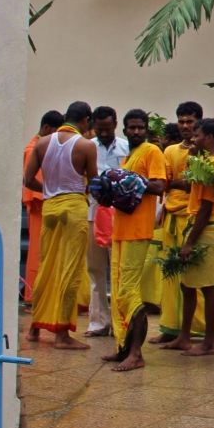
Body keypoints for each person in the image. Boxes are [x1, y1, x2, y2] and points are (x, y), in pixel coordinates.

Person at [24, 102, 97, 349]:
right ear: (86, 120)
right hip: (74, 206)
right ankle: (62, 335)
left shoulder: (43, 143)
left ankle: (35, 327)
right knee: (70, 269)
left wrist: (47, 191)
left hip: (50, 207)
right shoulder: (87, 146)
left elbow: (27, 179)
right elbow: (94, 183)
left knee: (47, 266)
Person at [101, 109, 166, 372]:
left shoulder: (152, 152)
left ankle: (136, 354)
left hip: (139, 232)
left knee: (130, 291)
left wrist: (131, 181)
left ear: (146, 129)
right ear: (124, 130)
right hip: (121, 231)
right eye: (132, 128)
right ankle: (123, 347)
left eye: (140, 127)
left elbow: (160, 186)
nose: (136, 131)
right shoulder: (129, 156)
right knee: (117, 292)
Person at [163, 118, 214, 356]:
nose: (193, 138)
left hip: (206, 228)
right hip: (195, 225)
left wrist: (190, 241)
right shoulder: (202, 161)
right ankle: (184, 336)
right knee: (187, 284)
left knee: (208, 286)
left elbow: (206, 207)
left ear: (209, 138)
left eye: (198, 135)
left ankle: (209, 341)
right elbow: (192, 188)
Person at [151, 101, 208, 344]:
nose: (185, 126)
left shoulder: (204, 151)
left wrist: (177, 183)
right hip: (172, 215)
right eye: (181, 121)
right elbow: (165, 182)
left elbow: (199, 186)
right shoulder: (170, 151)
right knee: (169, 272)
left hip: (193, 216)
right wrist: (178, 184)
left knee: (195, 274)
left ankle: (201, 328)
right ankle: (170, 327)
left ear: (198, 122)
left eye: (190, 121)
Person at [85, 106, 128, 337]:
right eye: (99, 129)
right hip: (92, 213)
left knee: (119, 269)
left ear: (115, 124)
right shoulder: (86, 147)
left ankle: (119, 322)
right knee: (95, 268)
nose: (103, 133)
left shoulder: (125, 147)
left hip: (118, 215)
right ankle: (98, 322)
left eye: (107, 129)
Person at [21, 110, 64, 305]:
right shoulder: (35, 149)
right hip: (41, 205)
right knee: (39, 253)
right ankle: (34, 295)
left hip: (47, 204)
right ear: (47, 128)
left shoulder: (40, 146)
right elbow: (36, 182)